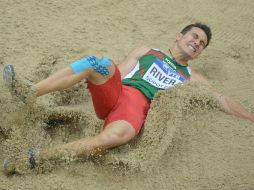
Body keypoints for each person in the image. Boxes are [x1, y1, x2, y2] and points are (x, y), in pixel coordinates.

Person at [3, 23, 254, 173]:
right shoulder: (148, 51)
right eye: (194, 37)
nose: (197, 43)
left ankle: (36, 157)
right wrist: (100, 79)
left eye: (202, 43)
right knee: (96, 62)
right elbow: (120, 73)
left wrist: (250, 117)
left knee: (118, 136)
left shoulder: (192, 77)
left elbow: (221, 100)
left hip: (136, 110)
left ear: (199, 54)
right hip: (118, 93)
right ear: (179, 36)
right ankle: (30, 91)